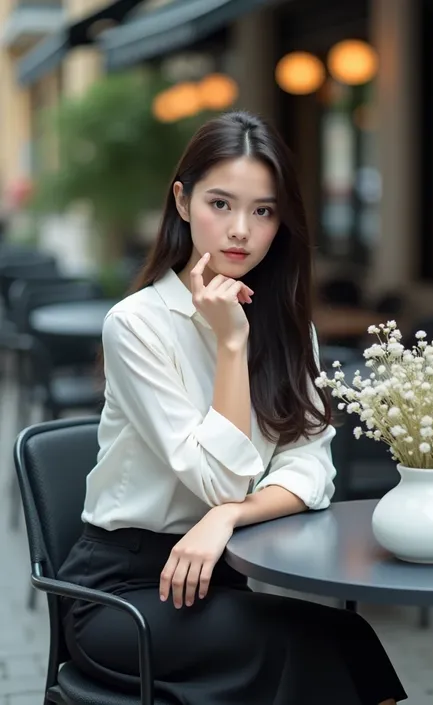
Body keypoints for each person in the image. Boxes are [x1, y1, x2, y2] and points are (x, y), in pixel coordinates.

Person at [58, 111, 407, 705]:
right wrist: (230, 344)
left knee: (350, 639)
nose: (240, 230)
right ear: (183, 201)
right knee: (315, 649)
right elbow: (221, 480)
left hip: (222, 572)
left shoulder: (291, 328)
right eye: (221, 204)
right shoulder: (138, 325)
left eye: (263, 211)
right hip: (125, 595)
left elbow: (311, 468)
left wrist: (226, 520)